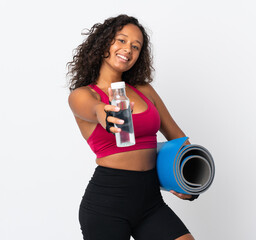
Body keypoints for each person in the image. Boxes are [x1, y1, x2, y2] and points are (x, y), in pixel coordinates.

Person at [67, 14, 197, 240]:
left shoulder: (144, 91)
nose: (128, 49)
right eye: (122, 40)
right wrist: (102, 112)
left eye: (136, 46)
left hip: (150, 201)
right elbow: (92, 108)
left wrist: (189, 182)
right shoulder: (83, 95)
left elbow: (178, 138)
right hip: (106, 204)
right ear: (104, 43)